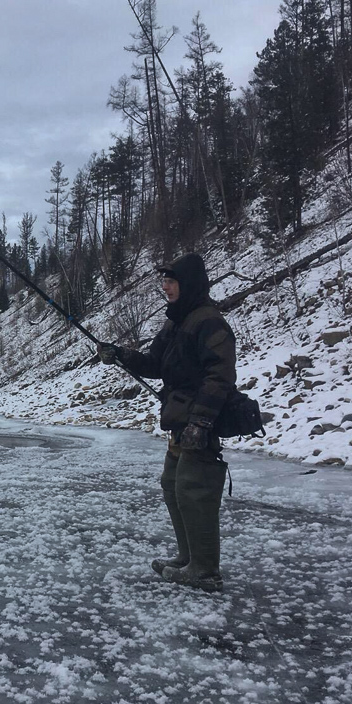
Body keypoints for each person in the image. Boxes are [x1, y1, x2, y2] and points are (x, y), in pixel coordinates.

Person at [96, 253, 235, 592]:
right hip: (179, 419)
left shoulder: (208, 322)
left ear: (188, 284)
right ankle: (189, 557)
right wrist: (121, 355)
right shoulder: (176, 321)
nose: (165, 286)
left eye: (171, 281)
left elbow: (220, 376)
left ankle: (205, 570)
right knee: (173, 486)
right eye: (164, 281)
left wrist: (200, 424)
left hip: (200, 422)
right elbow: (156, 364)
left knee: (194, 490)